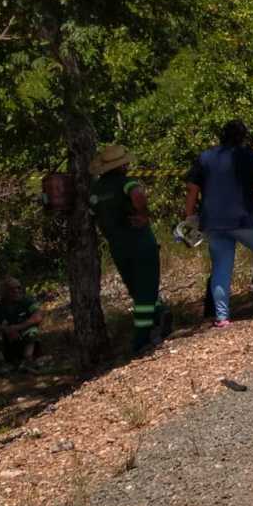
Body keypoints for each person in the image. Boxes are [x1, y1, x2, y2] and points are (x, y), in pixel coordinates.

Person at [184, 120, 253, 328]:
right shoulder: (246, 156)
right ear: (243, 137)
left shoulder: (205, 157)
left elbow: (192, 189)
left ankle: (222, 317)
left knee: (221, 267)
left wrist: (189, 217)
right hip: (243, 217)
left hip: (213, 221)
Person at [90, 144, 172, 353]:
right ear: (122, 165)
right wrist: (143, 214)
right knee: (145, 289)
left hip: (117, 246)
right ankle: (142, 339)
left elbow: (93, 213)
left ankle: (161, 316)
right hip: (139, 242)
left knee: (136, 289)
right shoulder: (127, 182)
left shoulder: (95, 190)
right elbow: (138, 194)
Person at [0, 277, 43, 371]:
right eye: (11, 289)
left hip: (21, 342)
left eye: (18, 288)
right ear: (4, 292)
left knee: (32, 330)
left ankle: (27, 360)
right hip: (5, 346)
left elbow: (38, 315)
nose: (16, 291)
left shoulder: (27, 303)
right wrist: (5, 330)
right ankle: (1, 363)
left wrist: (17, 327)